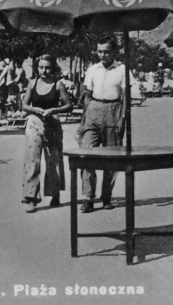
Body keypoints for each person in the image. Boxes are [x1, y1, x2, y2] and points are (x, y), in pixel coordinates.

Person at [79, 35, 132, 213]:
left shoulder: (123, 70)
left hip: (114, 109)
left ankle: (106, 196)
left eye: (106, 52)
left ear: (114, 52)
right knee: (87, 154)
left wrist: (122, 119)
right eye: (99, 51)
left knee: (111, 156)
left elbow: (127, 97)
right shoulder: (92, 69)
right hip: (94, 108)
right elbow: (87, 95)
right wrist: (83, 120)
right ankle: (88, 197)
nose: (102, 55)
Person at [21, 55, 72, 213]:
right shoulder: (32, 83)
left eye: (47, 67)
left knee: (53, 160)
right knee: (32, 159)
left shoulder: (58, 85)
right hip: (34, 123)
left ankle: (54, 193)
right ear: (37, 68)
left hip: (52, 124)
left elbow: (69, 105)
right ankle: (30, 198)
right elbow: (24, 105)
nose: (44, 70)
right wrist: (34, 109)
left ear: (53, 68)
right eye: (41, 67)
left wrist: (54, 110)